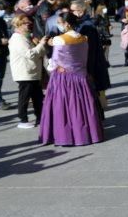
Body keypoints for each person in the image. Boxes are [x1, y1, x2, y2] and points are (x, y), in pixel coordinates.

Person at [39, 12, 104, 146]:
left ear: (67, 24)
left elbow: (54, 62)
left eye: (60, 22)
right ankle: (87, 134)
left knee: (63, 107)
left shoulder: (59, 39)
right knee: (82, 106)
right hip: (81, 76)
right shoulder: (84, 38)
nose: (58, 25)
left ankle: (65, 136)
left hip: (64, 78)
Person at [70, 0, 111, 109]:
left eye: (72, 10)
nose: (70, 13)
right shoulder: (81, 24)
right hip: (90, 65)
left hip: (91, 66)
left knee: (93, 96)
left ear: (80, 11)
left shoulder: (87, 26)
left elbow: (90, 51)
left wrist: (89, 70)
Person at [8, 15, 47, 128]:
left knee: (37, 97)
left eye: (29, 22)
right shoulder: (17, 38)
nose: (29, 24)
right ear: (18, 25)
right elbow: (30, 54)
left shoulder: (25, 37)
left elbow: (37, 52)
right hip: (25, 73)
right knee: (24, 97)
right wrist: (41, 44)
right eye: (25, 23)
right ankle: (23, 120)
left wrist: (38, 44)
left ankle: (40, 118)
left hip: (32, 72)